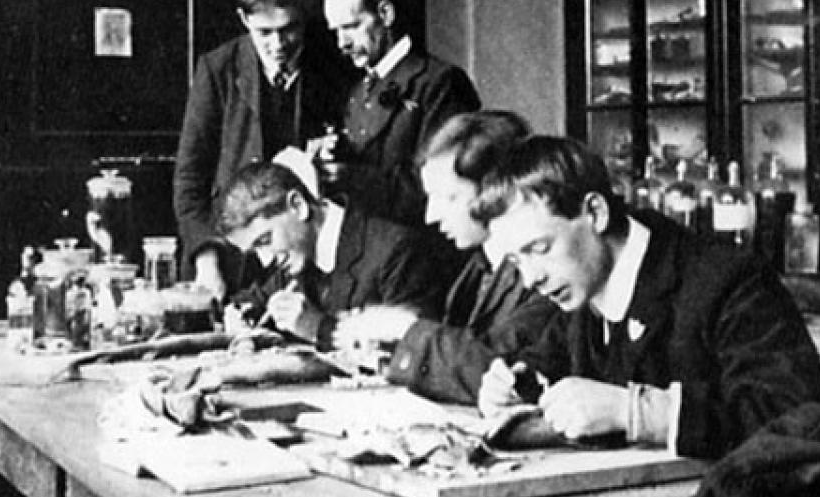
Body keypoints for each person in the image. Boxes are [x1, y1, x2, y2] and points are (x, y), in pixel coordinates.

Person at [475, 135, 820, 459]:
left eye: (539, 248)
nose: (531, 277)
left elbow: (802, 422)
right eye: (515, 260)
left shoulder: (727, 280)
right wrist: (516, 382)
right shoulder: (584, 284)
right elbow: (547, 360)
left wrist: (637, 412)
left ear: (595, 213)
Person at [335, 111, 555, 405]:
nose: (430, 216)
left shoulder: (544, 273)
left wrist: (403, 329)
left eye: (448, 197)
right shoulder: (477, 268)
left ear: (492, 193)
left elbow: (497, 368)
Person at [173, 0, 345, 298]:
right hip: (230, 259)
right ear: (243, 18)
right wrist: (206, 258)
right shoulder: (217, 69)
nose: (278, 44)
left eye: (289, 29)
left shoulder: (333, 65)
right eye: (265, 32)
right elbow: (189, 181)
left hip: (304, 257)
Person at [212, 154, 449, 350]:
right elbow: (253, 300)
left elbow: (417, 353)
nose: (265, 261)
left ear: (298, 205)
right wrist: (241, 315)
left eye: (264, 240)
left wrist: (319, 329)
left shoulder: (396, 251)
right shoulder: (295, 255)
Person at [321, 0, 481, 225]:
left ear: (385, 14)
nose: (342, 43)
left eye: (351, 27)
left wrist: (347, 177)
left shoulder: (439, 82)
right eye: (336, 31)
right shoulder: (359, 91)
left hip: (420, 246)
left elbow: (439, 187)